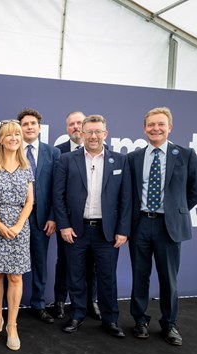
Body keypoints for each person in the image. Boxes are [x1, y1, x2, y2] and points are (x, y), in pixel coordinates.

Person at [127, 107, 197, 346]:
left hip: (168, 227)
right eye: (151, 125)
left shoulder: (186, 154)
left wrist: (174, 212)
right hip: (140, 225)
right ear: (144, 128)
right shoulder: (134, 157)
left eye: (160, 124)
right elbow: (129, 193)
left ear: (170, 127)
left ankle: (169, 324)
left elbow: (196, 191)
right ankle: (140, 320)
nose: (155, 129)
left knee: (168, 279)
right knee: (139, 276)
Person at [53, 114, 131, 338]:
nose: (93, 136)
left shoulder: (120, 160)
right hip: (76, 230)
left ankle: (110, 319)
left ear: (105, 134)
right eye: (89, 132)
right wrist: (64, 226)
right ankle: (76, 315)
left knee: (108, 277)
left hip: (106, 232)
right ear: (82, 134)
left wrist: (123, 230)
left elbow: (126, 198)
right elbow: (58, 196)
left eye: (98, 132)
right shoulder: (67, 159)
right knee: (75, 276)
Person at [0, 120, 34, 351]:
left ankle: (12, 325)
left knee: (15, 277)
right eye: (9, 135)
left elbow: (30, 201)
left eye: (17, 134)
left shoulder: (26, 167)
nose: (14, 138)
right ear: (1, 139)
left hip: (19, 229)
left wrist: (18, 225)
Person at [53, 111, 101, 321]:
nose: (76, 127)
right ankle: (61, 301)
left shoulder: (104, 154)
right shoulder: (59, 153)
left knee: (93, 265)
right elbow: (56, 190)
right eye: (71, 124)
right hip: (68, 221)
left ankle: (92, 301)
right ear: (67, 129)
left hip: (94, 223)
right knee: (65, 263)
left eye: (79, 123)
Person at [17, 108, 61, 324]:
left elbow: (57, 188)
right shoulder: (11, 150)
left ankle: (38, 304)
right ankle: (10, 305)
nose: (29, 127)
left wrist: (53, 216)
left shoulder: (52, 153)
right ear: (20, 128)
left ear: (39, 127)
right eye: (25, 124)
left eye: (33, 123)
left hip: (42, 218)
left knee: (40, 263)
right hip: (15, 218)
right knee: (11, 263)